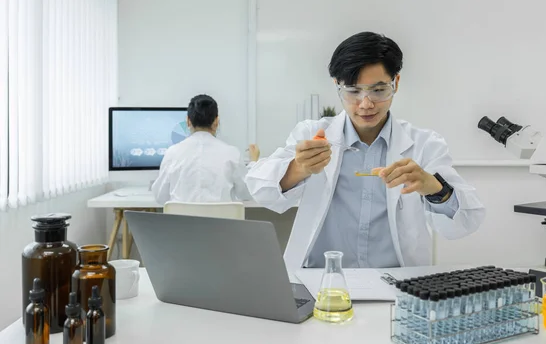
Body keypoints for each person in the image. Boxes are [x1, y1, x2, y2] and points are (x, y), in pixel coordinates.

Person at [245, 32, 485, 270]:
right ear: (337, 86)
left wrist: (433, 187)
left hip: (398, 284)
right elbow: (260, 189)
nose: (366, 104)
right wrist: (298, 168)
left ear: (396, 83)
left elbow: (465, 222)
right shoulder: (312, 134)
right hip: (320, 282)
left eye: (379, 90)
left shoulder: (424, 144)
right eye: (353, 91)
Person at [152, 94, 260, 205]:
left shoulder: (172, 153)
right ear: (216, 122)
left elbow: (160, 197)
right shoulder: (232, 153)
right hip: (221, 222)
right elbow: (247, 193)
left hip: (183, 222)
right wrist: (254, 163)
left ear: (188, 121)